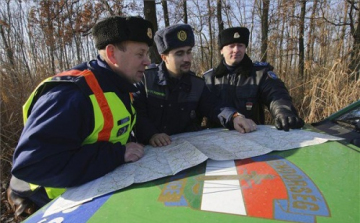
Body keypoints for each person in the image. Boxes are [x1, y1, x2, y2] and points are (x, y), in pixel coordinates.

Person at [8, 16, 154, 212]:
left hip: (93, 188)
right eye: (140, 54)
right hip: (53, 203)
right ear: (111, 54)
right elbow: (33, 166)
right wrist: (117, 154)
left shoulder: (120, 86)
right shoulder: (71, 94)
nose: (148, 61)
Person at [133, 24, 256, 147]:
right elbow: (137, 114)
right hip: (152, 152)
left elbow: (215, 107)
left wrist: (235, 117)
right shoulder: (146, 80)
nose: (187, 59)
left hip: (187, 151)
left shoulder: (197, 85)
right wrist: (152, 135)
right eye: (179, 54)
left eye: (189, 52)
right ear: (164, 57)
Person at [203, 27, 304, 131]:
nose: (236, 50)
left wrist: (283, 111)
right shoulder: (209, 78)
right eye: (231, 46)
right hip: (218, 139)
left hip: (252, 135)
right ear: (221, 50)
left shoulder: (259, 73)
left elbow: (276, 94)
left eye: (240, 45)